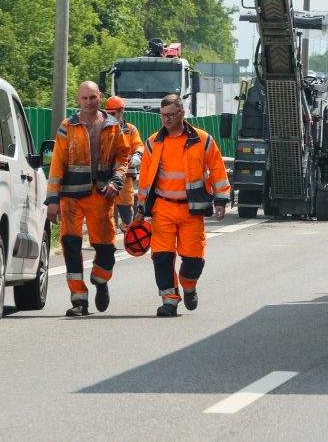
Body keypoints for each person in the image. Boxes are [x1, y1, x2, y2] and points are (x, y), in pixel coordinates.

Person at [133, 94, 231, 317]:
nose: (166, 120)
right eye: (163, 116)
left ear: (181, 114)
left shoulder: (202, 140)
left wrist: (221, 200)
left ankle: (188, 285)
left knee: (194, 259)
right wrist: (140, 209)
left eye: (170, 115)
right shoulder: (153, 143)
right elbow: (146, 179)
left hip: (191, 209)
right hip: (163, 209)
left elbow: (217, 170)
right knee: (162, 256)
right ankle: (169, 300)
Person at [46, 81, 130, 317]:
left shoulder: (113, 127)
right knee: (71, 246)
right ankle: (79, 300)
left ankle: (100, 280)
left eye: (92, 97)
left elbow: (122, 158)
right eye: (84, 98)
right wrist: (52, 200)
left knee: (106, 248)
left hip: (101, 194)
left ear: (100, 97)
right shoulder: (67, 127)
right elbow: (57, 165)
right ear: (77, 100)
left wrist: (116, 182)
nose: (88, 102)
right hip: (71, 197)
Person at [104, 96, 144, 228]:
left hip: (126, 178)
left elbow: (139, 145)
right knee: (107, 215)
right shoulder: (102, 129)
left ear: (122, 111)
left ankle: (129, 237)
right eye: (108, 113)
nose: (111, 116)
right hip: (106, 178)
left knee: (127, 214)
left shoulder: (131, 130)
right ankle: (110, 242)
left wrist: (137, 155)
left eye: (113, 113)